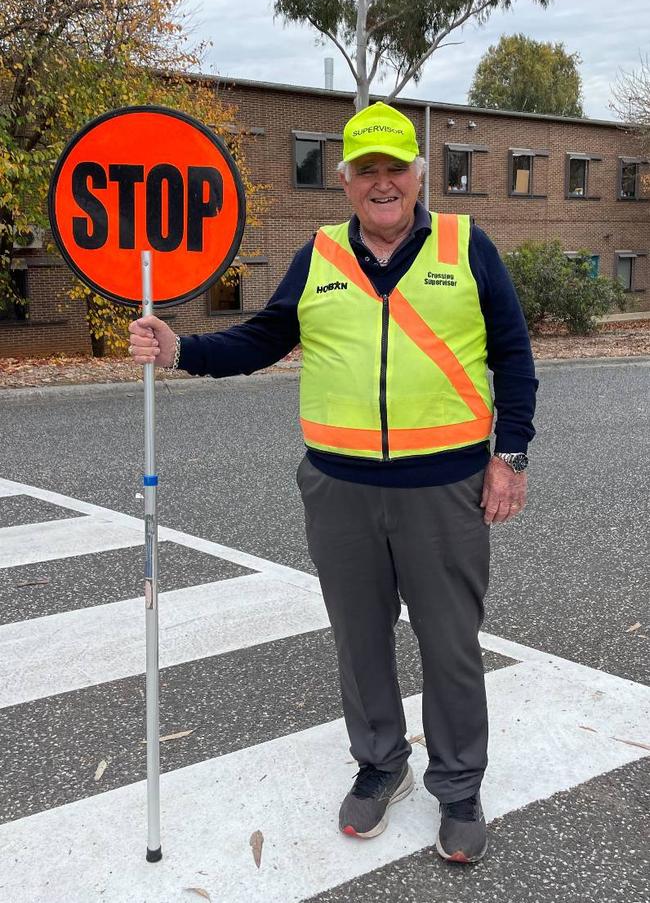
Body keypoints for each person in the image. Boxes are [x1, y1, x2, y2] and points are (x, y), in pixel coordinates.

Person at [128, 101, 537, 864]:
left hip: (446, 491)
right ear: (345, 182)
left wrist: (509, 456)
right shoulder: (318, 255)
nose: (383, 184)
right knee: (359, 639)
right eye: (366, 171)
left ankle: (458, 786)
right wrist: (181, 347)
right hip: (339, 489)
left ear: (418, 175)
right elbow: (263, 337)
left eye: (396, 169)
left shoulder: (465, 245)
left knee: (450, 643)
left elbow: (513, 356)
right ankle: (382, 762)